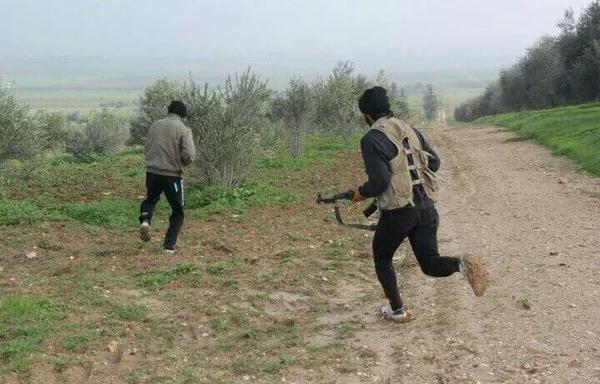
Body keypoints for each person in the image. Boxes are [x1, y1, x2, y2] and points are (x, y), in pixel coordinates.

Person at [348, 87, 490, 322]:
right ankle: (462, 264)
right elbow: (434, 162)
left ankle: (397, 310)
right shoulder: (409, 129)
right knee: (429, 263)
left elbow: (380, 181)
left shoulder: (372, 138)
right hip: (426, 207)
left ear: (367, 116)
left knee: (382, 257)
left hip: (399, 213)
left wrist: (361, 193)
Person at [139, 100, 196, 253]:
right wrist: (182, 163)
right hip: (172, 176)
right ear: (182, 114)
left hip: (152, 172)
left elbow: (146, 147)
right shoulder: (184, 129)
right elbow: (189, 155)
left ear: (169, 110)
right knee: (178, 210)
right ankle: (169, 246)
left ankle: (145, 221)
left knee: (150, 199)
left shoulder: (155, 125)